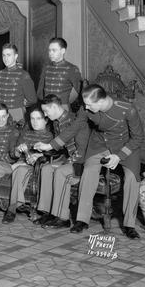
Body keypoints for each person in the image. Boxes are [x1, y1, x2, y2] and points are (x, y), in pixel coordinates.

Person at [57, 85, 144, 239]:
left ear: (102, 101)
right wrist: (52, 144)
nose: (86, 107)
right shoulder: (87, 108)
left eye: (89, 104)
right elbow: (75, 127)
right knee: (89, 170)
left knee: (132, 178)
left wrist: (119, 156)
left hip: (125, 145)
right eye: (85, 104)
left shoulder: (127, 109)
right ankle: (82, 220)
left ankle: (129, 225)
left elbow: (138, 137)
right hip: (100, 143)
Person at [32, 94, 90, 229]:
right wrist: (41, 151)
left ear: (54, 107)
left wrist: (68, 163)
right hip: (69, 160)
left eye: (46, 111)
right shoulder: (57, 122)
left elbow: (82, 150)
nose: (45, 115)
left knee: (60, 171)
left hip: (80, 163)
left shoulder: (74, 121)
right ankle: (48, 212)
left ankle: (63, 217)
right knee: (46, 169)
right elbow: (61, 147)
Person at [1, 105, 52, 224]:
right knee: (20, 169)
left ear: (46, 120)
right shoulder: (26, 134)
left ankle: (12, 209)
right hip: (23, 164)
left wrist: (39, 156)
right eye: (32, 119)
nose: (34, 122)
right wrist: (18, 149)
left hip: (38, 167)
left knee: (20, 169)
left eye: (38, 119)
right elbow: (14, 154)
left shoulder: (50, 137)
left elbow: (53, 153)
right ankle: (13, 208)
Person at [0, 44, 37, 123]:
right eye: (3, 55)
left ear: (16, 56)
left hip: (17, 113)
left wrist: (20, 104)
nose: (5, 58)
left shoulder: (23, 74)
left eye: (9, 55)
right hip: (1, 113)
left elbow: (33, 99)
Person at [37, 37, 82, 109]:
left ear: (63, 51)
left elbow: (79, 90)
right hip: (46, 107)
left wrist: (66, 103)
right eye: (49, 50)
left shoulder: (72, 69)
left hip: (62, 107)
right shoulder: (46, 67)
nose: (50, 53)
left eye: (54, 50)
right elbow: (40, 90)